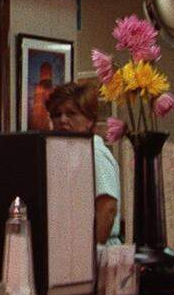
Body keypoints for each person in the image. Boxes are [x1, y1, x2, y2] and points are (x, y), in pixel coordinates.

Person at [45, 81, 121, 245]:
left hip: (97, 252)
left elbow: (107, 208)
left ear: (89, 120)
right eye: (57, 114)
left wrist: (90, 254)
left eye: (71, 114)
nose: (63, 120)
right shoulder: (65, 153)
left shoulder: (96, 153)